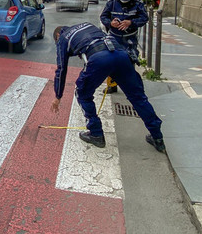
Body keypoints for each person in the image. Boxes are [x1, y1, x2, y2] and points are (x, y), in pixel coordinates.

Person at [50, 22, 165, 152]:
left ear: (58, 35)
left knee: (82, 93)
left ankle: (96, 133)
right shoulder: (87, 25)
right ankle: (157, 137)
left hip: (99, 58)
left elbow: (61, 69)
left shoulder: (63, 38)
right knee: (138, 97)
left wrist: (58, 96)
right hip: (121, 54)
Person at [99, 0, 149, 94]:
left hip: (129, 37)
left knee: (130, 61)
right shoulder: (111, 2)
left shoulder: (137, 3)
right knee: (112, 61)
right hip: (114, 36)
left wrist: (131, 22)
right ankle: (112, 85)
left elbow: (144, 18)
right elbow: (103, 17)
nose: (123, 1)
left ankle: (131, 88)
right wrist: (111, 23)